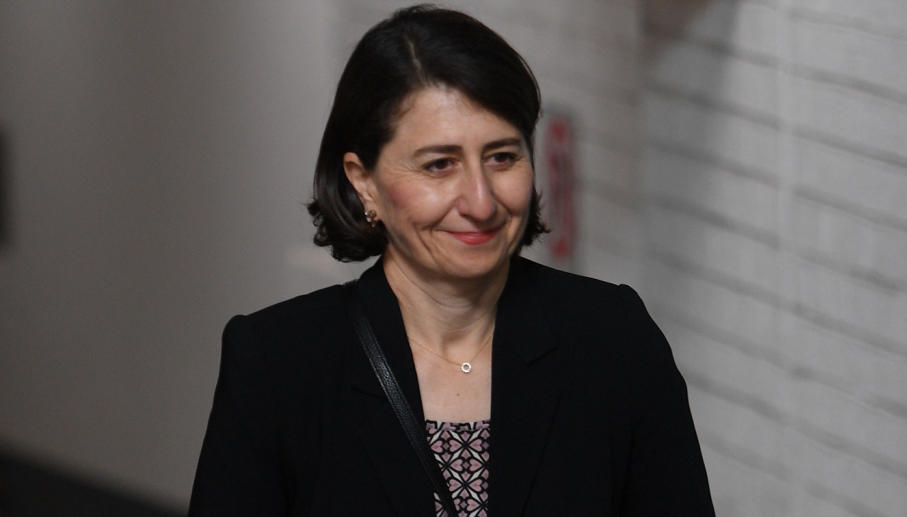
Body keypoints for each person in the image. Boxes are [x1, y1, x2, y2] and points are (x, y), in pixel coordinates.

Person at [188, 5, 714, 516]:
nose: (482, 202)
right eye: (440, 165)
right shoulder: (278, 366)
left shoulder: (613, 342)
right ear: (362, 179)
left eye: (502, 157)